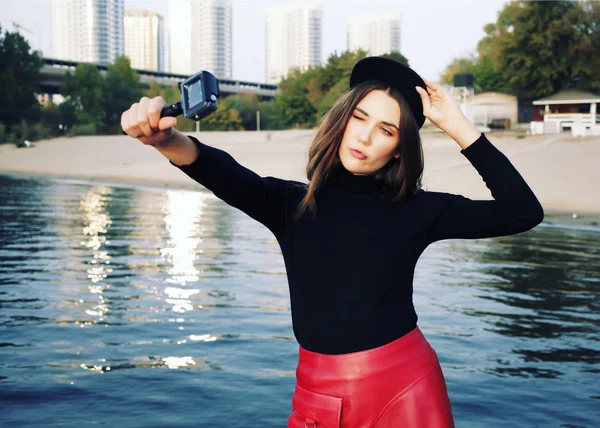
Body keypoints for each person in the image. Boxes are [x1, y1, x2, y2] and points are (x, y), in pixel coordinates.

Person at [121, 56, 544, 428]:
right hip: (315, 390)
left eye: (386, 130)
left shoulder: (419, 209)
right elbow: (219, 170)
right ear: (342, 120)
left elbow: (522, 211)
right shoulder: (290, 204)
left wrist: (456, 125)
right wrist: (164, 140)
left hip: (404, 388)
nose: (364, 137)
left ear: (399, 149)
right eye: (359, 118)